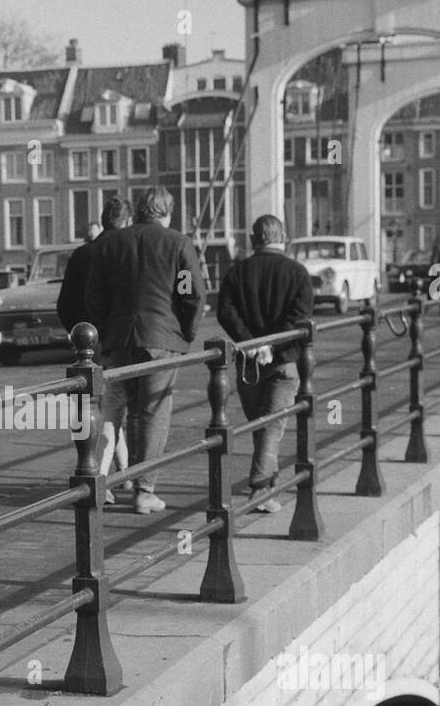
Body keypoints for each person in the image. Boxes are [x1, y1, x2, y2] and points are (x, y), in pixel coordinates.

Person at [84, 185, 205, 515]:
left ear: (138, 210)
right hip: (161, 340)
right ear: (167, 212)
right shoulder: (177, 243)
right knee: (152, 412)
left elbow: (94, 295)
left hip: (119, 342)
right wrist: (185, 333)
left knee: (123, 410)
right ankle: (144, 490)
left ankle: (104, 479)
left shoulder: (113, 244)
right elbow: (190, 294)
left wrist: (105, 336)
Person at [216, 213, 314, 513]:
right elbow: (299, 319)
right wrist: (273, 344)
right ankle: (261, 490)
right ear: (282, 237)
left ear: (253, 240)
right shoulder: (297, 273)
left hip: (248, 363)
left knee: (261, 424)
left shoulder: (237, 272)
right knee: (272, 425)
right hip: (284, 361)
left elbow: (226, 312)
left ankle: (266, 484)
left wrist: (251, 343)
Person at [57, 195, 130, 499]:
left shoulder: (82, 254)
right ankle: (99, 481)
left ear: (103, 220)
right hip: (118, 344)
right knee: (110, 412)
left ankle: (124, 474)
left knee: (101, 411)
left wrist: (80, 338)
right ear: (126, 222)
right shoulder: (125, 252)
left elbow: (64, 303)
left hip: (85, 348)